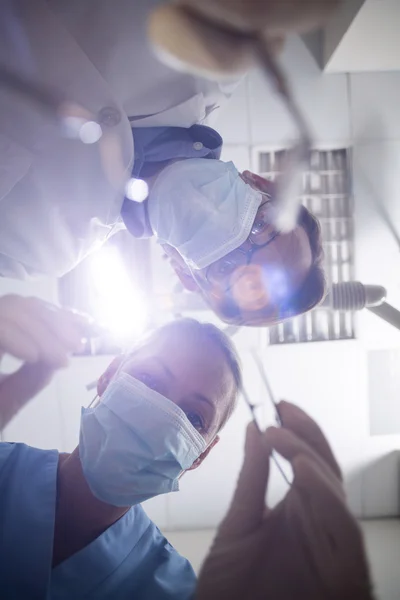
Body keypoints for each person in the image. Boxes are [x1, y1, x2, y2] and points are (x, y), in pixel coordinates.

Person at [0, 0, 335, 325]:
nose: (231, 235)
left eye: (225, 266)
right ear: (261, 183)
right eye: (261, 226)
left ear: (184, 274)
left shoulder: (34, 250)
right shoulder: (214, 55)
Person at [0, 296, 242, 598]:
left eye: (194, 417)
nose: (159, 414)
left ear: (200, 454)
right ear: (108, 377)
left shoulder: (173, 590)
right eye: (148, 379)